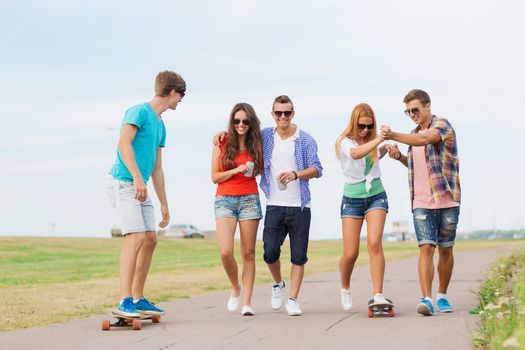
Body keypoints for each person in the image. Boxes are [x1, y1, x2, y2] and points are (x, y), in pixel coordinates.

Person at [106, 70, 186, 317]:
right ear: (172, 92)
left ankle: (138, 298)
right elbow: (123, 143)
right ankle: (124, 300)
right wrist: (138, 177)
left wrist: (164, 203)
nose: (180, 101)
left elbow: (158, 167)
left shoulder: (161, 125)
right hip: (123, 182)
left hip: (141, 186)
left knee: (151, 239)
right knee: (136, 238)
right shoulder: (138, 111)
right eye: (180, 96)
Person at [381, 89, 460, 316]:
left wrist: (392, 135)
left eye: (415, 109)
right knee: (426, 246)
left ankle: (442, 296)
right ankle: (426, 299)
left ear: (427, 106)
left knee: (446, 249)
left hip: (446, 199)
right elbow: (418, 165)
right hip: (421, 201)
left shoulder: (442, 125)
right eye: (408, 111)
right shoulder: (412, 134)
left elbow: (426, 139)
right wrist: (400, 158)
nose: (412, 114)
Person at [335, 103, 393, 311]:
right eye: (362, 126)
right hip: (352, 199)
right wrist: (381, 140)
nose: (366, 130)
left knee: (374, 242)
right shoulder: (344, 142)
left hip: (376, 195)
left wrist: (387, 147)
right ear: (353, 123)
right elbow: (357, 154)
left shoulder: (372, 141)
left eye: (370, 126)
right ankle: (344, 286)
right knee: (351, 253)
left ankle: (378, 294)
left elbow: (373, 156)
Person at [211, 103, 263, 316]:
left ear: (251, 123)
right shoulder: (221, 142)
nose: (241, 125)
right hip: (225, 199)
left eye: (245, 121)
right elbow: (214, 177)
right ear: (232, 123)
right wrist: (236, 170)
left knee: (248, 253)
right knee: (225, 252)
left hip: (250, 199)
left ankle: (248, 303)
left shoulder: (258, 143)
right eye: (237, 121)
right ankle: (235, 287)